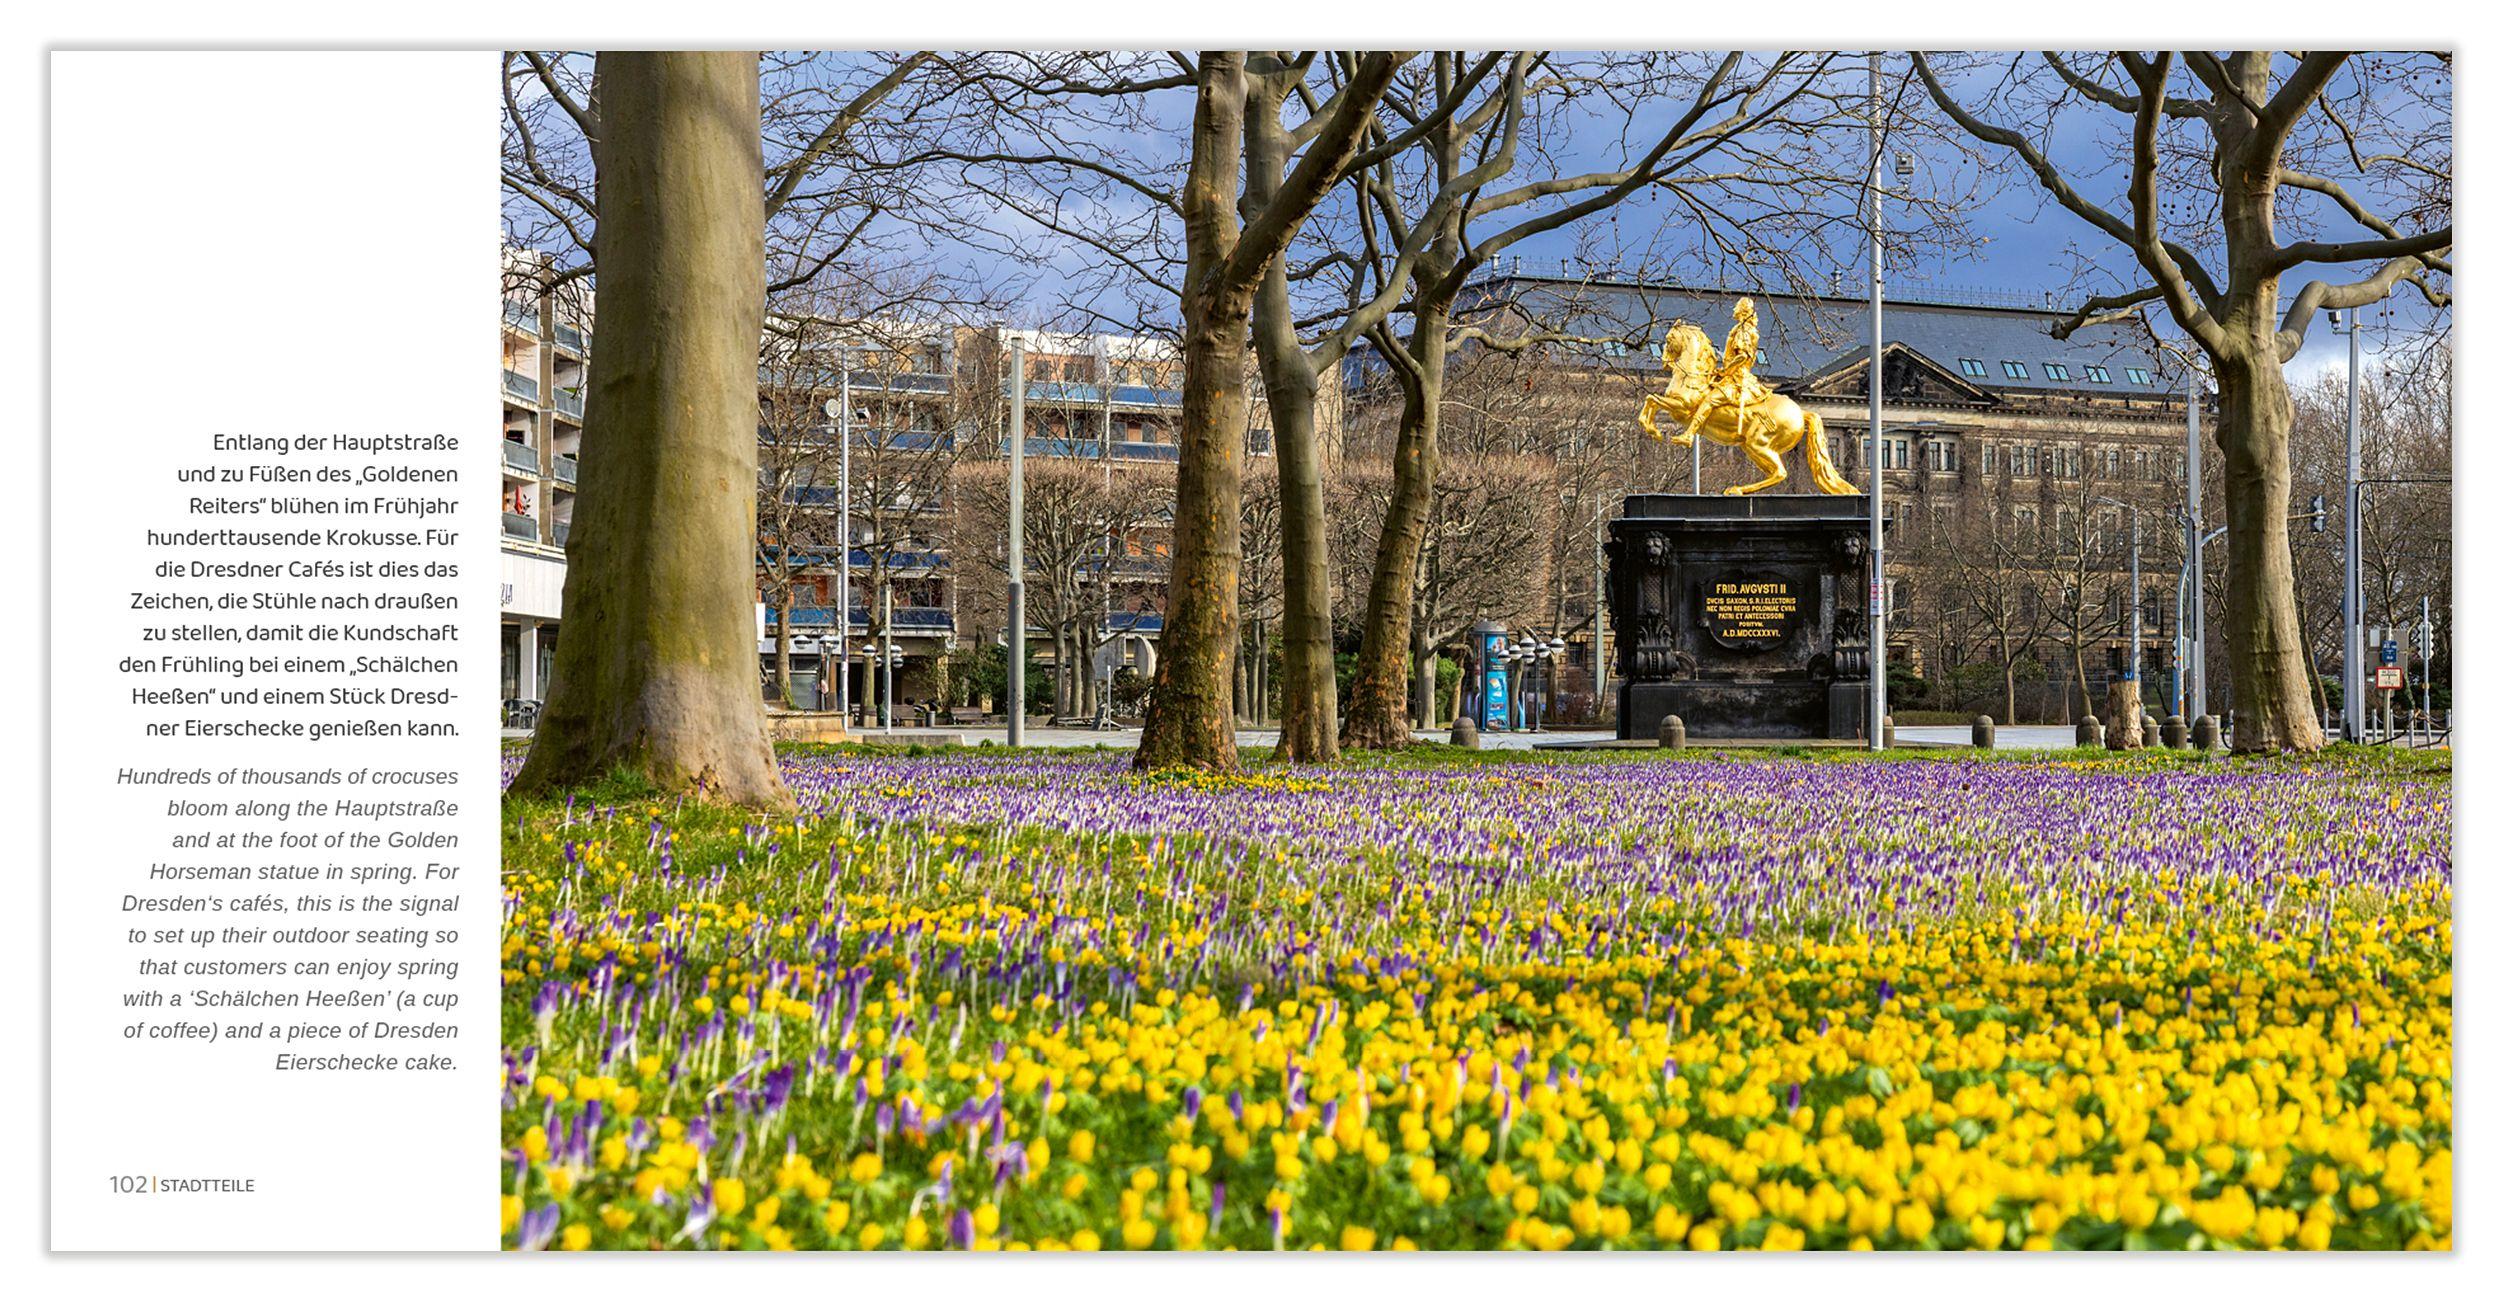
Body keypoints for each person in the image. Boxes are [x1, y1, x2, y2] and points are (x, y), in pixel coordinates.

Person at [1680, 297, 1763, 446]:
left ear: (1743, 310)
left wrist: (1726, 370)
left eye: (1736, 307)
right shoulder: (1742, 328)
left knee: (1708, 401)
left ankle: (1689, 434)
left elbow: (1742, 356)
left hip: (1737, 378)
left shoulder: (1743, 329)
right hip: (1734, 375)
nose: (1733, 309)